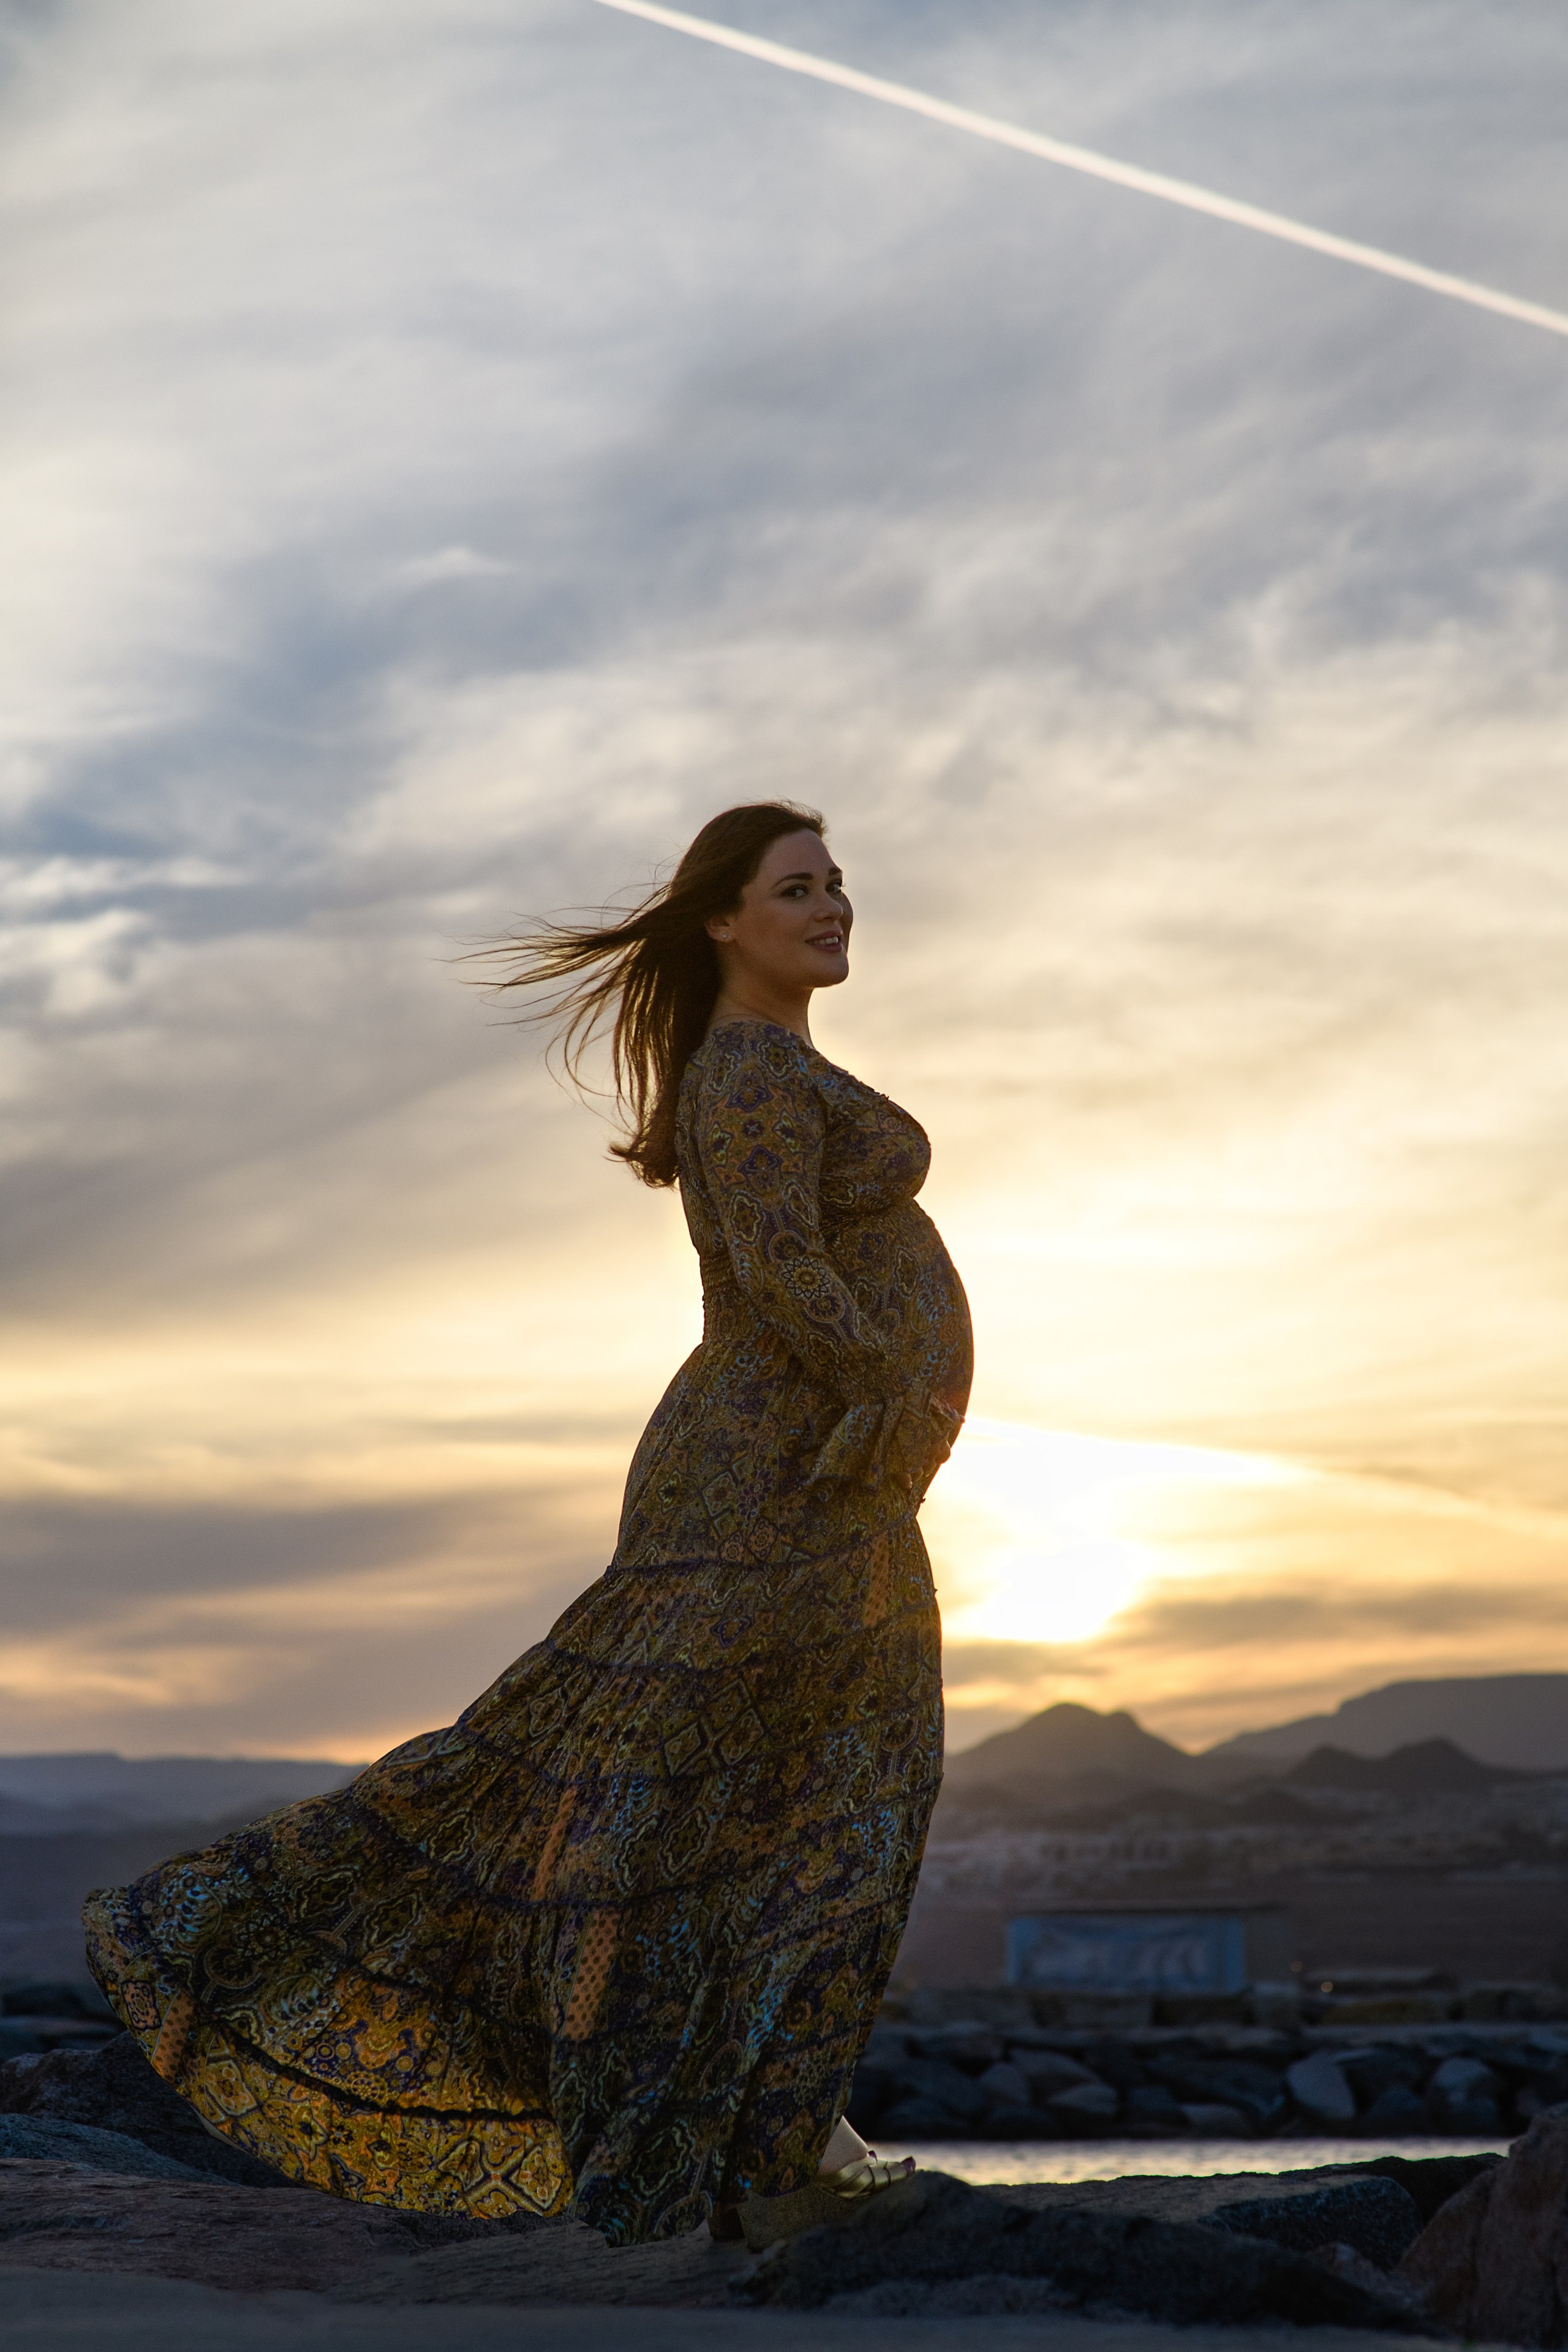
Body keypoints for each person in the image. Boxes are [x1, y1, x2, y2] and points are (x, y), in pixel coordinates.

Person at [83, 801, 973, 2249]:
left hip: (813, 1466)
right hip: (769, 1468)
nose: (833, 906)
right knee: (736, 1783)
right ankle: (252, 1946)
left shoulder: (778, 1061)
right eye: (796, 887)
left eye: (837, 882)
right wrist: (886, 1374)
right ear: (719, 922)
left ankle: (771, 2126)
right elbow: (769, 1254)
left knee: (792, 1784)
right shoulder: (744, 1069)